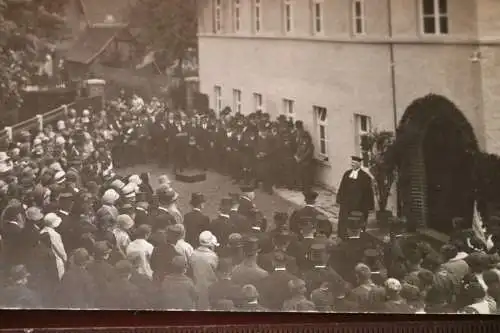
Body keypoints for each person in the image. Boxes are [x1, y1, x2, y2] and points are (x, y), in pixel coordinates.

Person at [336, 156, 374, 240]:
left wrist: (369, 206)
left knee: (357, 221)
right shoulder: (347, 173)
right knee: (344, 220)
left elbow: (368, 192)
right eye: (352, 163)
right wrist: (339, 199)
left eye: (354, 163)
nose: (352, 164)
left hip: (359, 204)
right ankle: (343, 237)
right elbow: (342, 187)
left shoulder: (365, 177)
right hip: (346, 203)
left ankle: (356, 238)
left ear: (359, 164)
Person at [190, 230, 220, 310]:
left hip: (195, 288)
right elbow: (216, 272)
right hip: (209, 289)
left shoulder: (193, 254)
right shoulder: (213, 256)